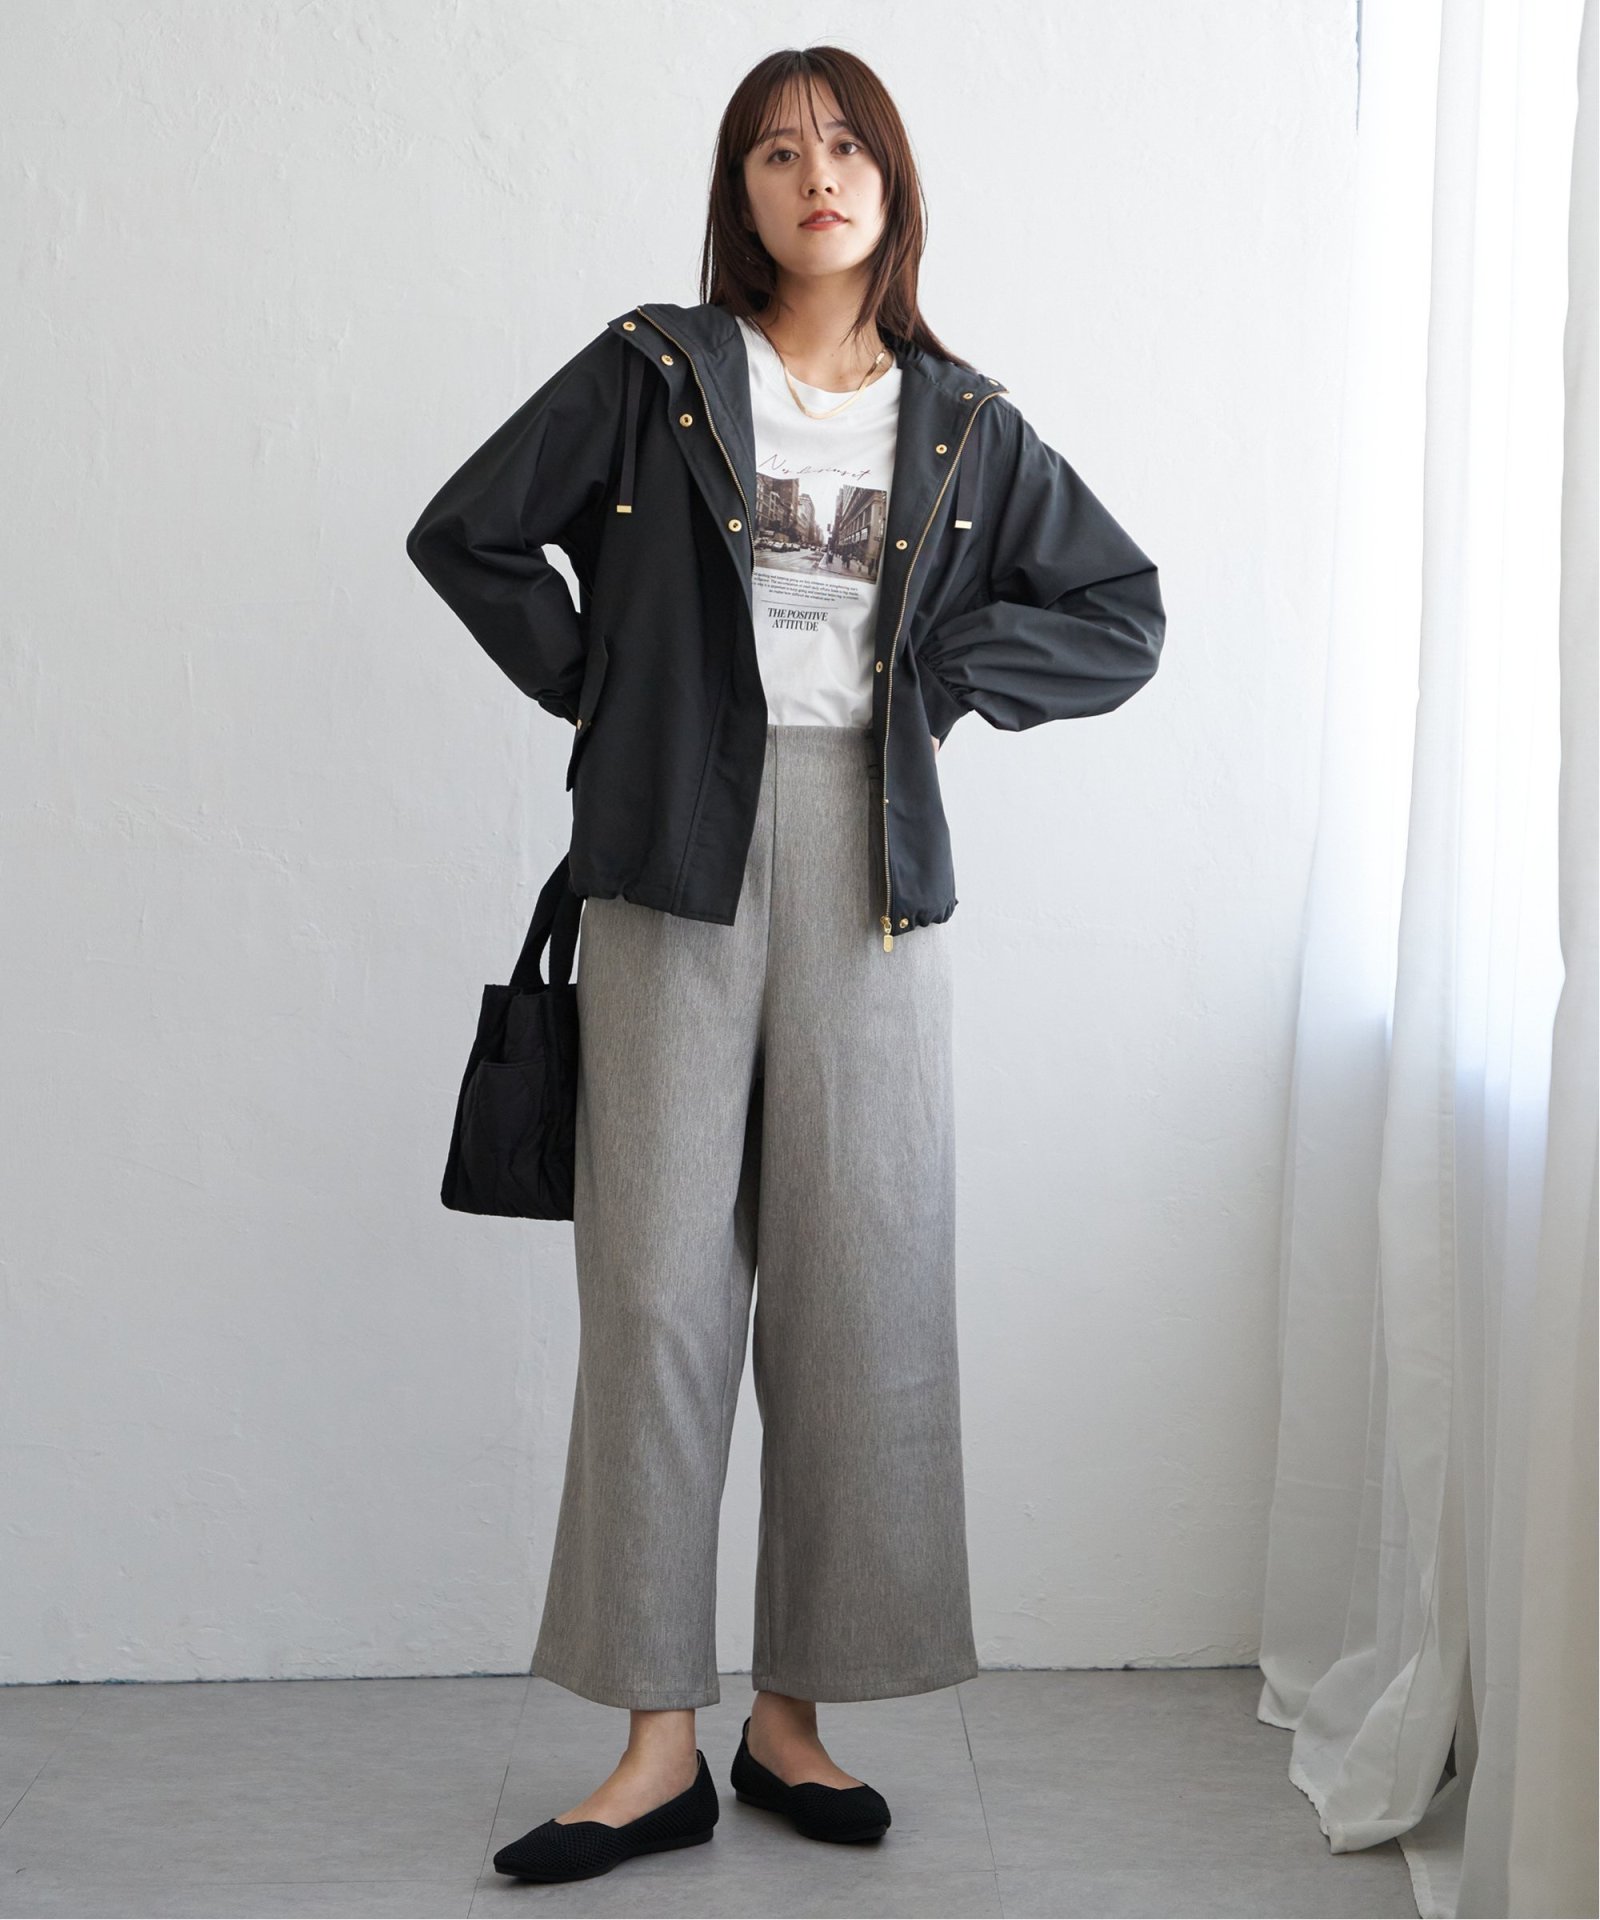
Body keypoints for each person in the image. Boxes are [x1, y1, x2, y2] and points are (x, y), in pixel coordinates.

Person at [405, 45, 1166, 1887]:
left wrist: (949, 676)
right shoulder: (658, 373)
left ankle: (794, 1720)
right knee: (656, 1298)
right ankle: (654, 1745)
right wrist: (611, 689)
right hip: (672, 855)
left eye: (841, 146)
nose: (811, 173)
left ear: (891, 183)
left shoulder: (965, 425)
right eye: (771, 150)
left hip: (871, 867)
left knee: (860, 1299)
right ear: (738, 193)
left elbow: (1120, 611)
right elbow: (467, 533)